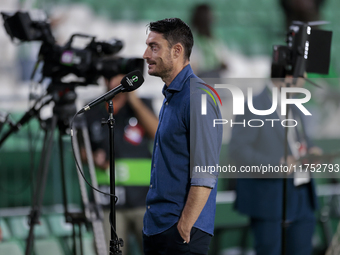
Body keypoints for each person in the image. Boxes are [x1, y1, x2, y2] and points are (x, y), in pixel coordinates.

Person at [142, 18, 223, 255]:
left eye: (154, 47)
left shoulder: (198, 97)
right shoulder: (173, 97)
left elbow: (206, 173)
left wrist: (184, 225)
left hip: (181, 234)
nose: (146, 54)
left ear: (177, 51)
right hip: (159, 228)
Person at [229, 64, 322, 255]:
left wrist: (310, 152)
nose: (304, 81)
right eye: (301, 76)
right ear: (288, 75)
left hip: (302, 195)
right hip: (270, 199)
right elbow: (238, 152)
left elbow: (299, 140)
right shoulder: (254, 105)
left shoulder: (295, 105)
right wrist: (275, 165)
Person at [83, 73, 158, 254]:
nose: (117, 82)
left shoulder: (142, 105)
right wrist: (92, 157)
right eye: (113, 77)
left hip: (143, 199)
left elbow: (158, 134)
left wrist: (134, 100)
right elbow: (81, 150)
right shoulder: (92, 109)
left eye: (121, 77)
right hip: (106, 201)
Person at [190, 4, 228, 78]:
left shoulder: (214, 40)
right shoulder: (192, 39)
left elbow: (224, 62)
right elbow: (192, 65)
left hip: (215, 76)